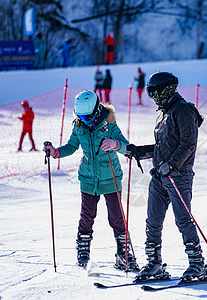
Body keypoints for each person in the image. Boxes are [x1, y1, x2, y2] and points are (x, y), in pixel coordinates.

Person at [125, 72, 207, 283]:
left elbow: (189, 144)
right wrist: (140, 151)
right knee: (153, 221)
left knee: (182, 220)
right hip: (160, 176)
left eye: (154, 92)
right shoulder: (164, 113)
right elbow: (161, 147)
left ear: (166, 89)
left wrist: (171, 165)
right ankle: (155, 265)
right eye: (149, 93)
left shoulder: (183, 110)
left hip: (178, 176)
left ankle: (197, 264)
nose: (152, 97)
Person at [42, 90, 139, 271]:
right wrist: (55, 152)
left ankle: (123, 255)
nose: (83, 119)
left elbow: (127, 147)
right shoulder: (79, 126)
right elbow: (71, 146)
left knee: (117, 217)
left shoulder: (109, 124)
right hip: (88, 178)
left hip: (110, 176)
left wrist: (114, 144)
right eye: (80, 116)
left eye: (87, 116)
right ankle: (83, 253)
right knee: (87, 216)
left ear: (95, 110)